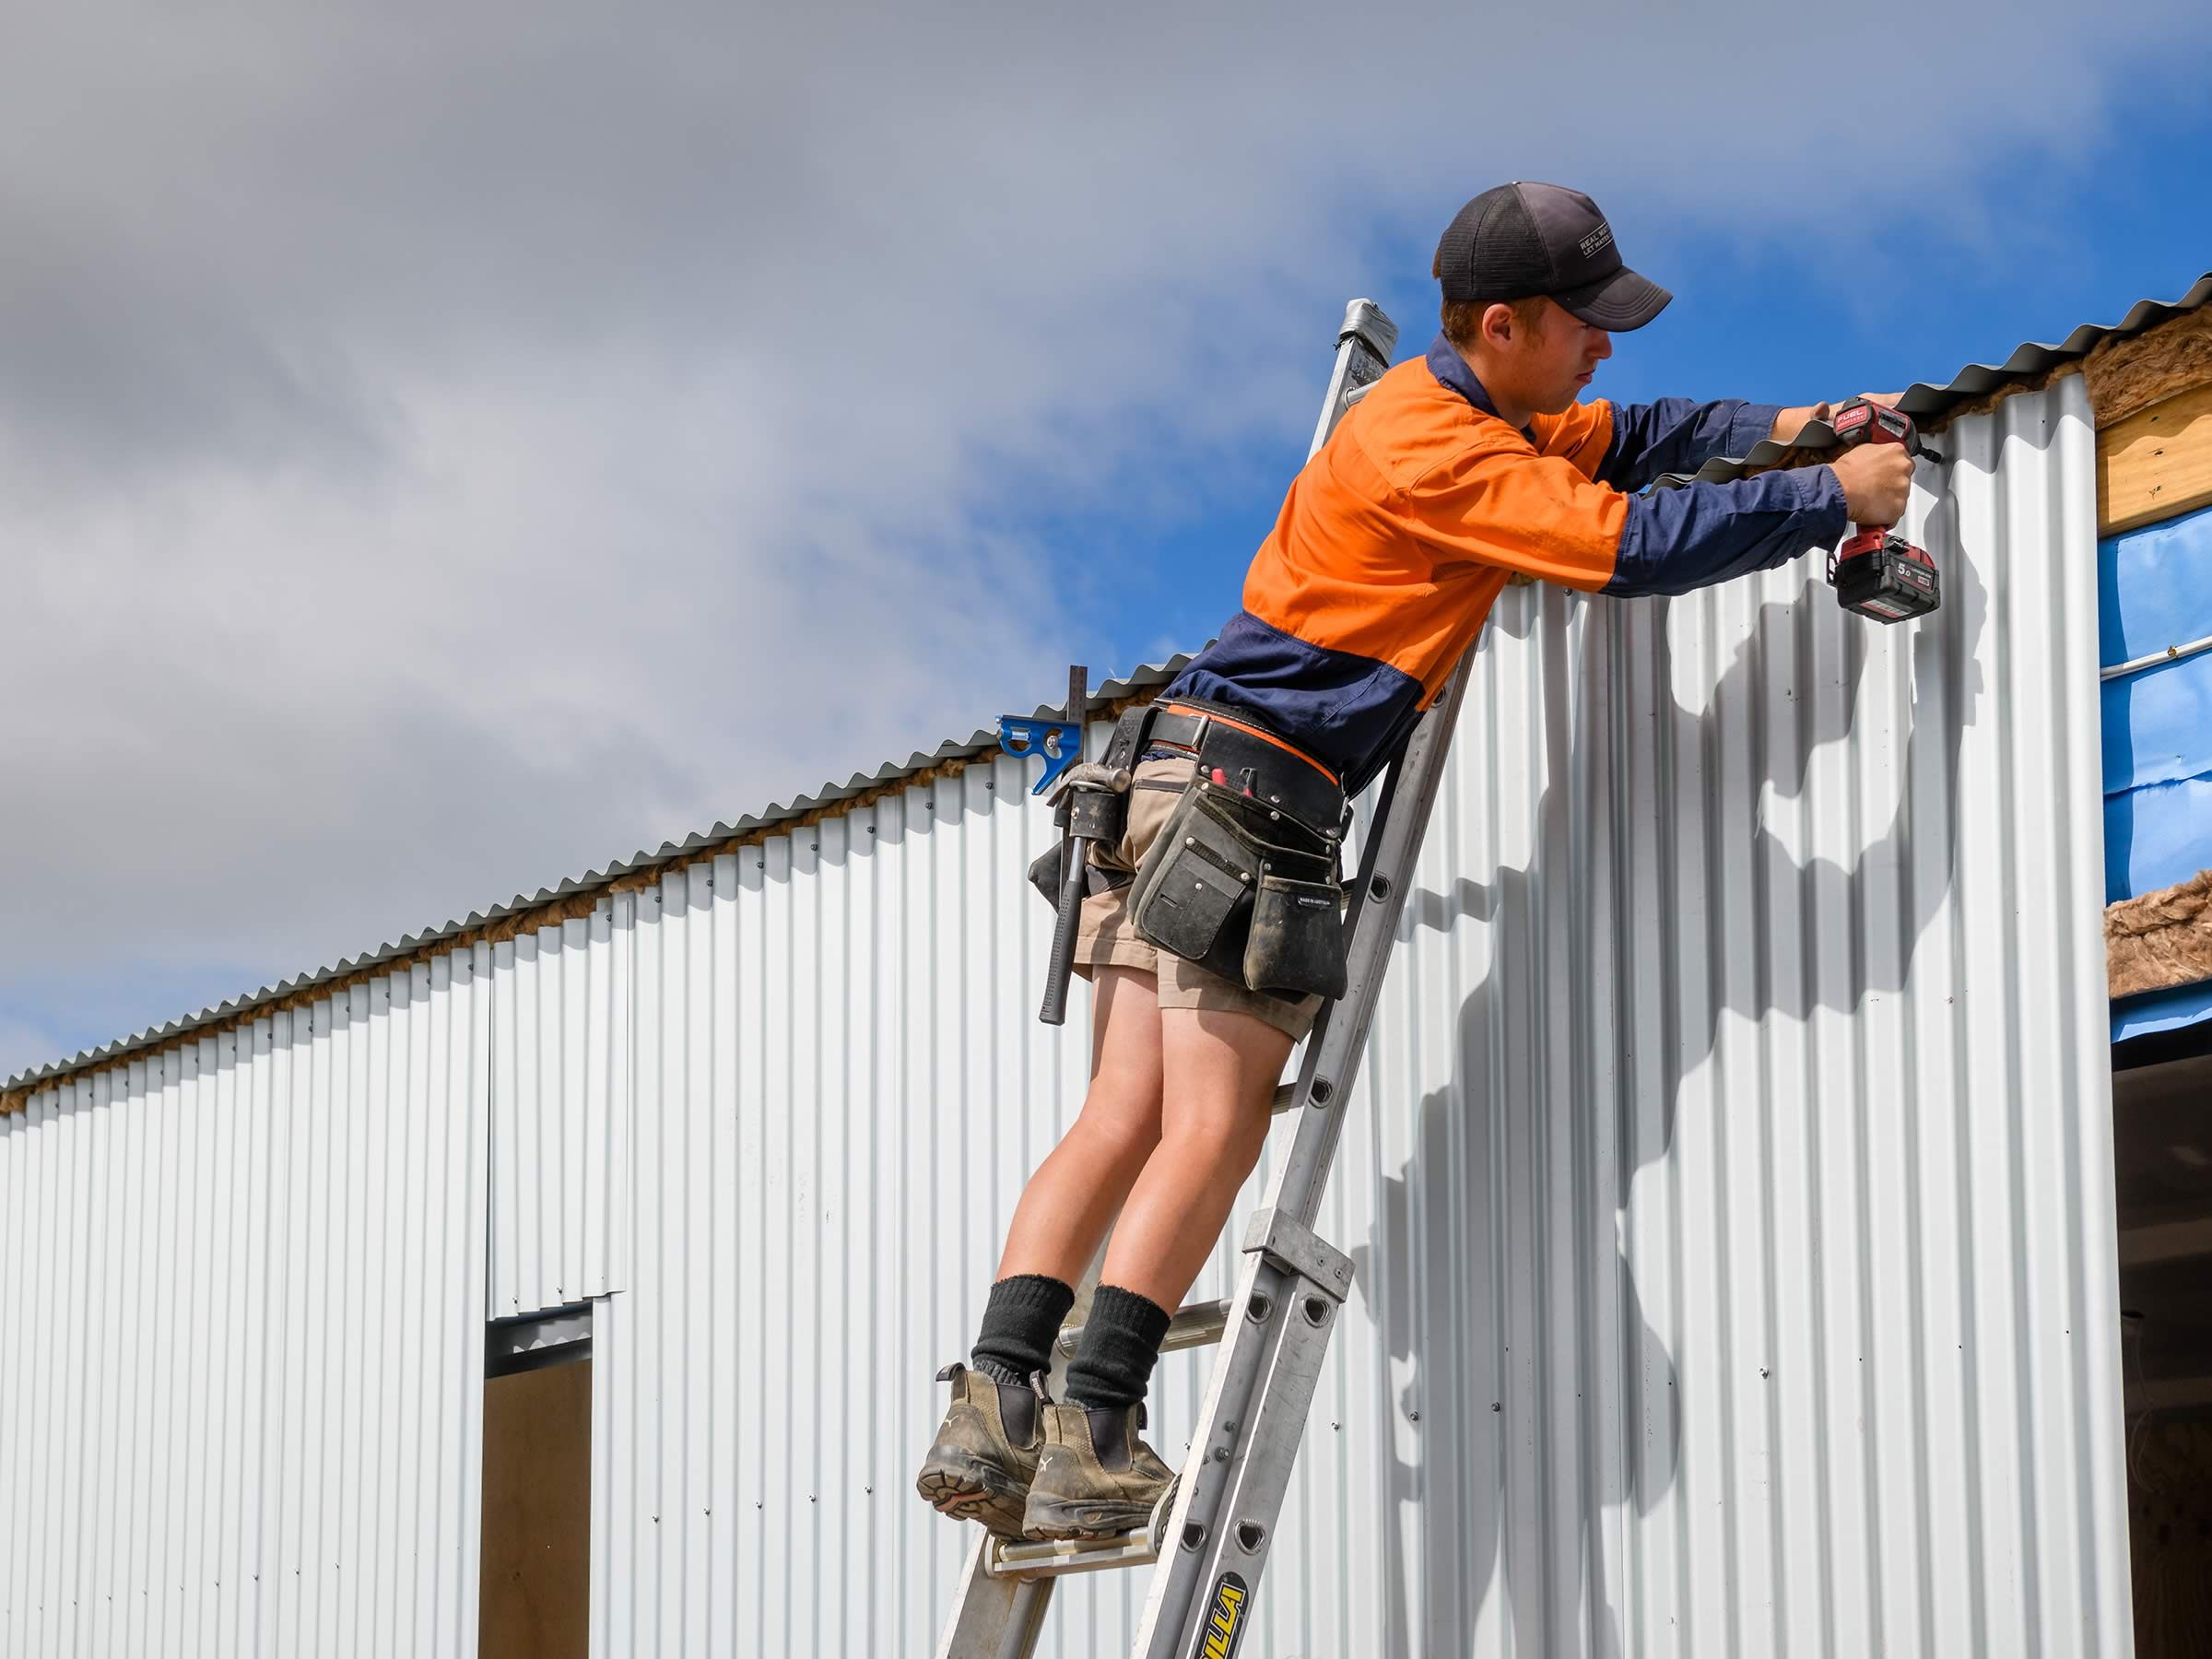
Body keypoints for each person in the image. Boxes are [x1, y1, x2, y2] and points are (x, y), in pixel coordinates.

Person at [914, 181, 1917, 1541]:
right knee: (1207, 1124)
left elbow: (1637, 437)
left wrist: (1801, 426)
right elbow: (1620, 545)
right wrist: (1828, 500)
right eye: (1583, 324)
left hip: (1160, 769)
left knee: (1119, 1112)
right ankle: (1096, 1434)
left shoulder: (1464, 409)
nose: (1603, 348)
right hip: (1254, 794)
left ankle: (996, 1395)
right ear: (1500, 325)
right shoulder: (1441, 455)